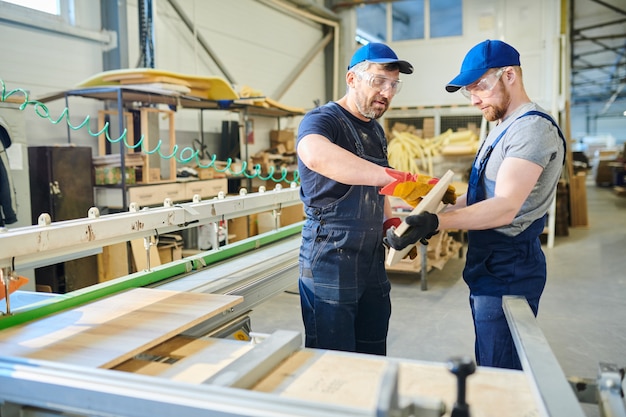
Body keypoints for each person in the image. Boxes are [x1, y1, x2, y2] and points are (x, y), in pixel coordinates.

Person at [385, 39, 566, 369]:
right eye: (469, 91)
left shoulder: (531, 129)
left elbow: (505, 206)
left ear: (508, 75)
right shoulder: (502, 128)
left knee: (501, 366)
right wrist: (426, 215)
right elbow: (483, 194)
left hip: (510, 267)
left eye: (479, 87)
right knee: (490, 355)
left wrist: (438, 223)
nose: (474, 99)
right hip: (489, 262)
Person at [296, 42, 415, 355]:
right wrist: (394, 178)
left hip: (371, 258)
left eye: (393, 85)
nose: (386, 93)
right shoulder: (323, 120)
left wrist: (392, 223)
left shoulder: (376, 131)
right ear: (352, 79)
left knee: (373, 351)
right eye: (379, 82)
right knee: (333, 359)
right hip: (330, 256)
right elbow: (315, 154)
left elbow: (378, 190)